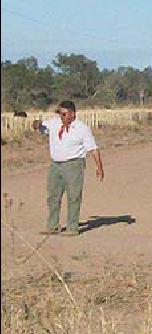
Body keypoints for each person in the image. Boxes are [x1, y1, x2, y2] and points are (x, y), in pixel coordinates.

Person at [32, 100, 104, 236]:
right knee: (53, 196)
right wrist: (36, 124)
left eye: (64, 114)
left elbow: (93, 149)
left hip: (73, 165)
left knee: (73, 196)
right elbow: (40, 127)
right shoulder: (54, 123)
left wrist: (99, 167)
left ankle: (72, 227)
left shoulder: (82, 129)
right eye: (60, 114)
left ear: (72, 114)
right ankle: (52, 225)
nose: (62, 117)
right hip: (55, 165)